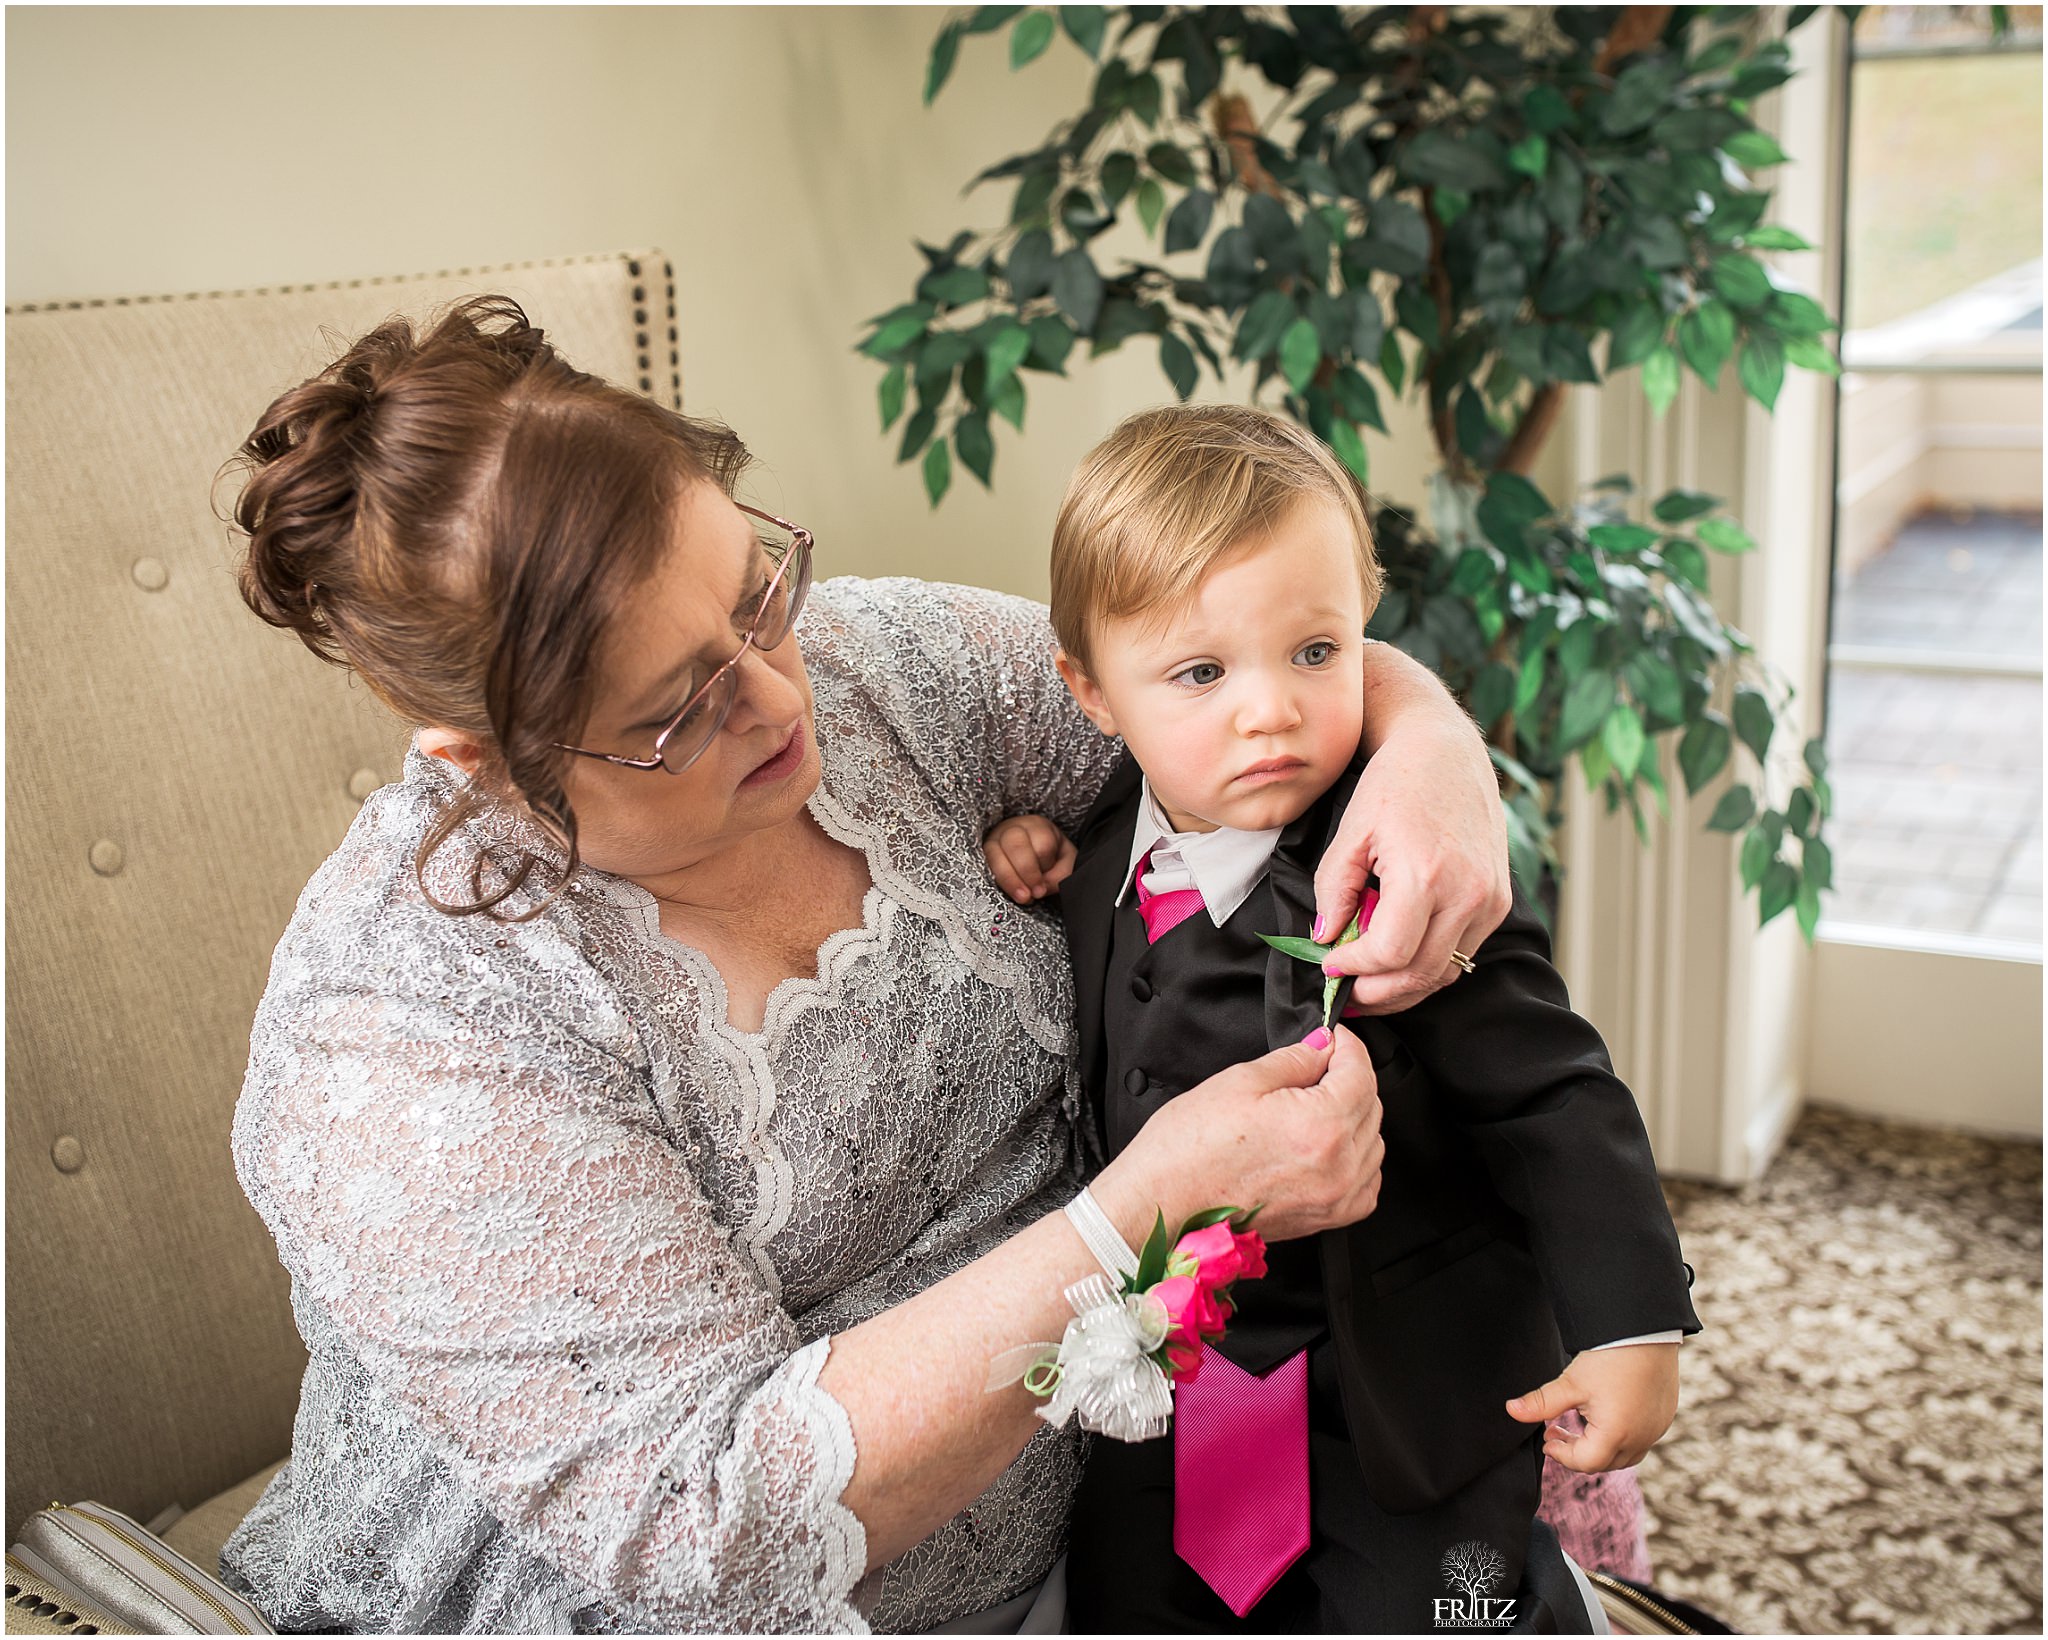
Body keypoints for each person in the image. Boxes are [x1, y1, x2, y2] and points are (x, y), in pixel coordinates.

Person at [211, 295, 1517, 1634]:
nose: (779, 696)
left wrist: (1432, 757)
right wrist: (1145, 1217)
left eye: (754, 593)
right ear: (479, 763)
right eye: (671, 716)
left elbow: (1213, 667)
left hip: (1110, 1520)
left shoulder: (875, 667)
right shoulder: (406, 1042)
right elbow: (708, 1534)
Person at [980, 404, 1699, 1633]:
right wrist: (1026, 849)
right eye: (1201, 673)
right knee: (1139, 1602)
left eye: (1315, 652)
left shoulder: (1404, 875)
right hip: (1174, 1384)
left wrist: (1632, 1317)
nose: (1268, 710)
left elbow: (1552, 1089)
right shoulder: (1094, 853)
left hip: (1393, 1389)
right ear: (1090, 692)